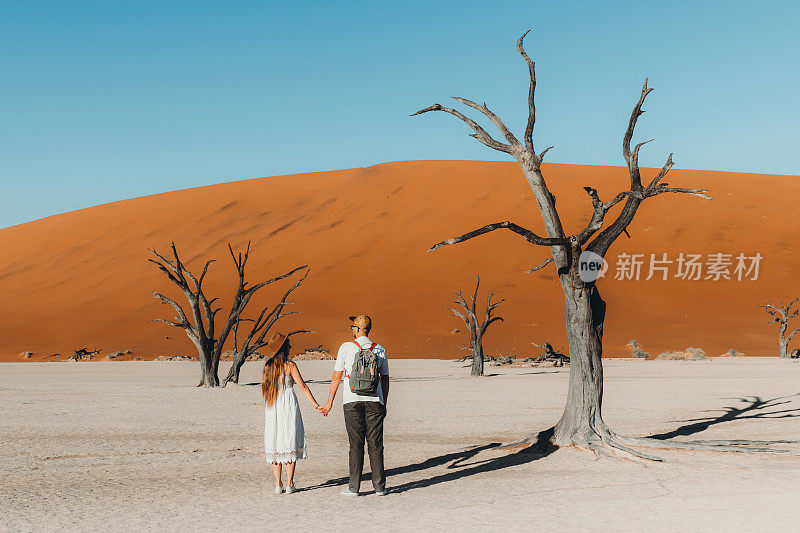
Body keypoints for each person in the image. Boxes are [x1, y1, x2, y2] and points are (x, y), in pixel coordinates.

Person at [320, 314, 390, 496]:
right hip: (375, 401)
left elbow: (337, 376)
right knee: (375, 444)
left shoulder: (346, 347)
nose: (351, 329)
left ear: (358, 329)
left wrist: (329, 402)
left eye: (353, 326)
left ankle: (354, 487)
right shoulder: (380, 349)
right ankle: (379, 487)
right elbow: (385, 380)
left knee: (355, 444)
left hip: (351, 401)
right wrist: (384, 402)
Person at [262, 332, 324, 494]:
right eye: (288, 345)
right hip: (288, 405)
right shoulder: (290, 366)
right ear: (283, 348)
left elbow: (265, 388)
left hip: (272, 405)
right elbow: (303, 387)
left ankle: (278, 484)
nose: (290, 347)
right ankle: (289, 484)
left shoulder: (268, 366)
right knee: (289, 439)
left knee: (275, 439)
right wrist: (316, 405)